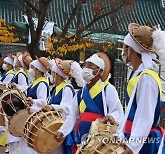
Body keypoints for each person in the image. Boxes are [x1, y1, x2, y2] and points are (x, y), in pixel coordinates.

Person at [54, 52, 124, 149]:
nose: (85, 68)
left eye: (90, 66)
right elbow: (72, 116)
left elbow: (117, 110)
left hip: (100, 137)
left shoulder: (107, 88)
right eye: (85, 65)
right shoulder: (80, 93)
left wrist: (112, 117)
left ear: (99, 71)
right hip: (82, 136)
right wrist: (62, 131)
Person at [118, 23, 165, 154]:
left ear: (131, 49)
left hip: (143, 143)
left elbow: (145, 117)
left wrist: (132, 146)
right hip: (133, 138)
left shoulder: (147, 78)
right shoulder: (137, 74)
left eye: (125, 47)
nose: (123, 51)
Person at [42, 58, 84, 154]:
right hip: (53, 124)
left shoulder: (67, 88)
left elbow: (68, 108)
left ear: (57, 74)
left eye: (52, 72)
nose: (51, 74)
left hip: (61, 125)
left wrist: (53, 107)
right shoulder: (57, 87)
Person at [18, 56, 50, 154]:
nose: (30, 70)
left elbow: (43, 101)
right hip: (31, 115)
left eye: (33, 68)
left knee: (31, 145)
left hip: (36, 117)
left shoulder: (42, 83)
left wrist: (33, 101)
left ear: (38, 70)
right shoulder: (35, 82)